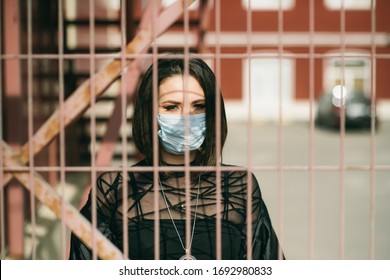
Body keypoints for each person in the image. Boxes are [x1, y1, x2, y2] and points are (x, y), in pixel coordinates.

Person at [69, 55, 284, 260]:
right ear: (148, 113)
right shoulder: (115, 188)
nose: (187, 117)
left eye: (198, 106)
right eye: (171, 107)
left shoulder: (238, 185)